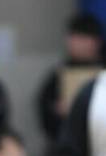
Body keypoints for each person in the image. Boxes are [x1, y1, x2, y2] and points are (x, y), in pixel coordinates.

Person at [37, 12, 105, 147]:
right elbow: (45, 107)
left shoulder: (103, 71)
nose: (73, 44)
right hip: (70, 143)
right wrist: (57, 110)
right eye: (71, 38)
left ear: (95, 42)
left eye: (80, 39)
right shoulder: (59, 74)